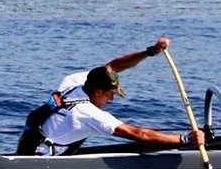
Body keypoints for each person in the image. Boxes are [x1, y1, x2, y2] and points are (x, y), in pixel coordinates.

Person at [18, 37, 194, 155]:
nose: (111, 99)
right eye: (110, 94)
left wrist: (151, 51)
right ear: (98, 91)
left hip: (26, 150)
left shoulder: (72, 82)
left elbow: (113, 66)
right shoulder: (87, 114)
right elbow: (138, 134)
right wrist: (184, 139)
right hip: (40, 167)